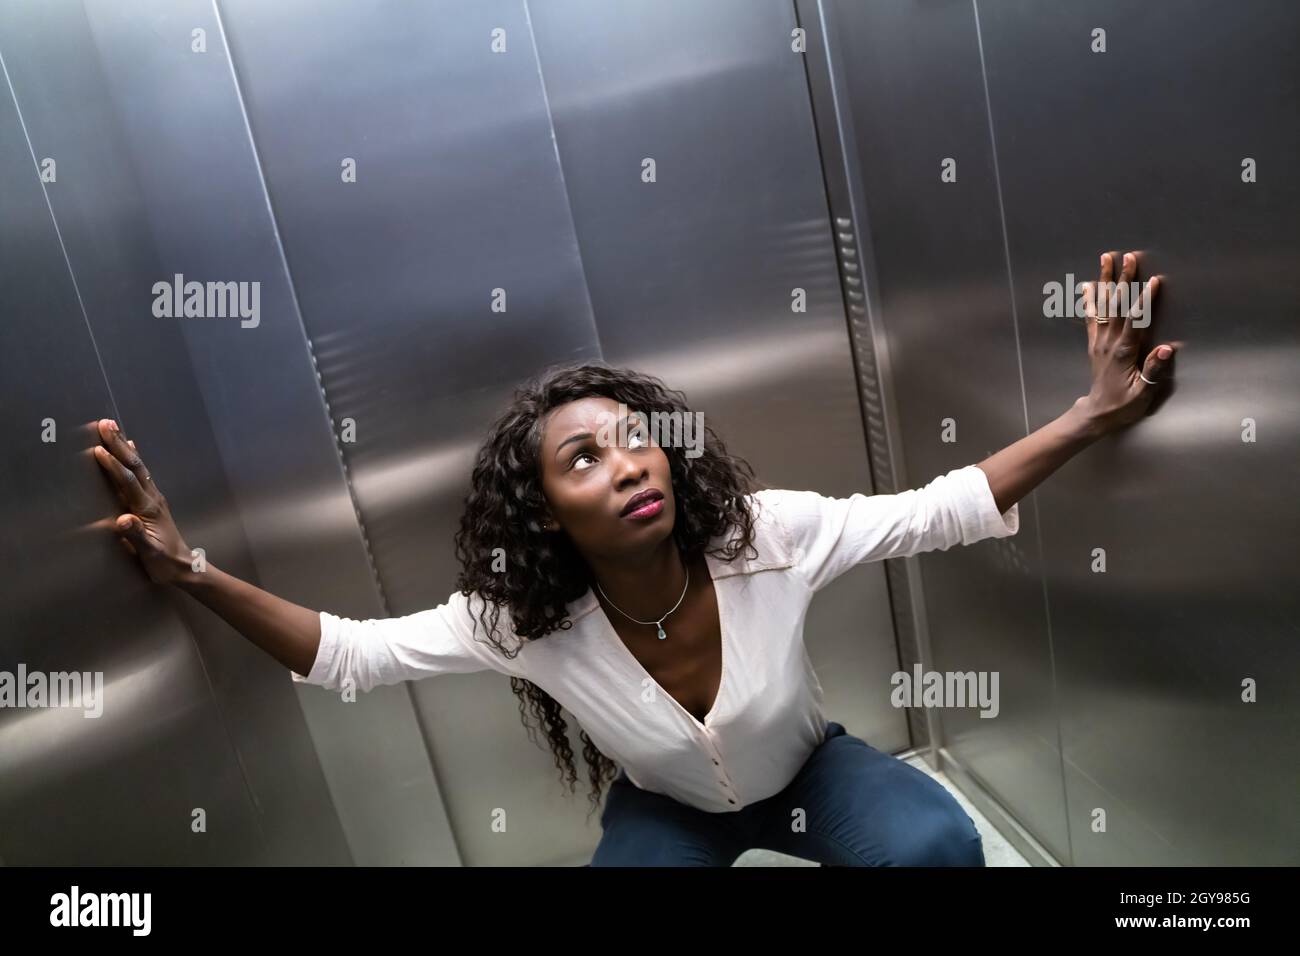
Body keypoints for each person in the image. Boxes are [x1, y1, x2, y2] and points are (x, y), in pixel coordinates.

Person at [93, 251, 1174, 866]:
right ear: (548, 510)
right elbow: (350, 653)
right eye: (582, 457)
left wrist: (1091, 411)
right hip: (670, 815)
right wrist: (191, 571)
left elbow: (939, 507)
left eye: (634, 438)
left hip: (809, 777)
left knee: (935, 847)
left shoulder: (764, 536)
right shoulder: (519, 617)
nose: (625, 464)